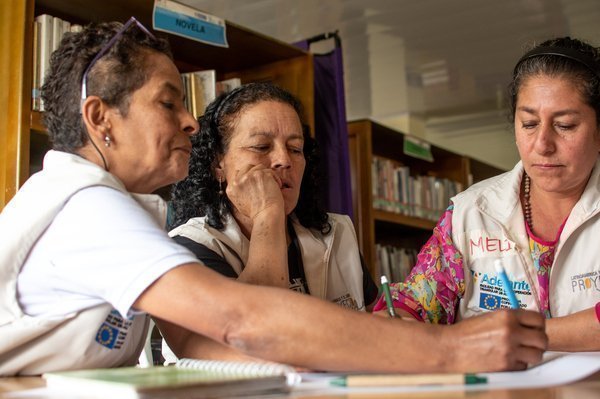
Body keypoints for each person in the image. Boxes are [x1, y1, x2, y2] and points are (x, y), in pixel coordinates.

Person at [0, 18, 546, 377]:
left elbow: (206, 343)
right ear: (100, 118)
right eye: (168, 103)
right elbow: (240, 324)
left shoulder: (114, 206)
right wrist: (450, 351)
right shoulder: (85, 208)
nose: (190, 121)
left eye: (295, 147)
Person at [374, 36, 600, 352]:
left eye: (564, 125)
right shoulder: (471, 212)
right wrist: (397, 322)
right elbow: (416, 302)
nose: (542, 144)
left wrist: (522, 336)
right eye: (529, 123)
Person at [165, 82, 378, 361]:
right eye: (261, 146)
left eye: (296, 149)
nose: (283, 160)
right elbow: (256, 334)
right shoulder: (188, 247)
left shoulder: (336, 233)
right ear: (219, 164)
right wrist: (268, 212)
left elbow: (376, 320)